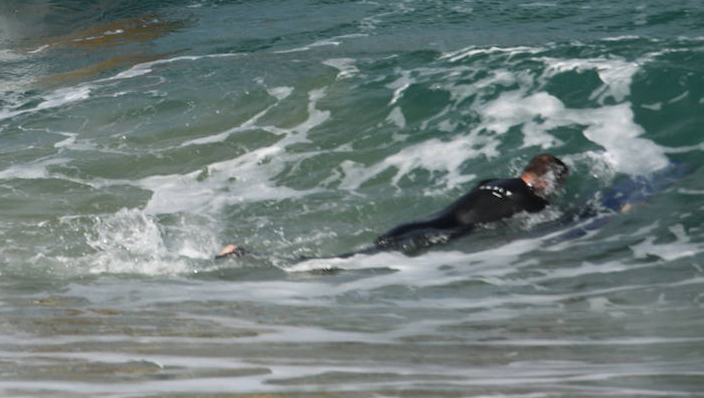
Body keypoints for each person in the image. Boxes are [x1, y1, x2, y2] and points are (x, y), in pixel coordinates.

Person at [215, 153, 570, 260]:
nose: (554, 191)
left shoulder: (490, 182)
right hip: (424, 236)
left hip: (415, 227)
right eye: (555, 185)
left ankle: (244, 253)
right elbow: (551, 221)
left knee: (347, 260)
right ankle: (245, 254)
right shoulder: (527, 198)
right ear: (543, 182)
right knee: (333, 266)